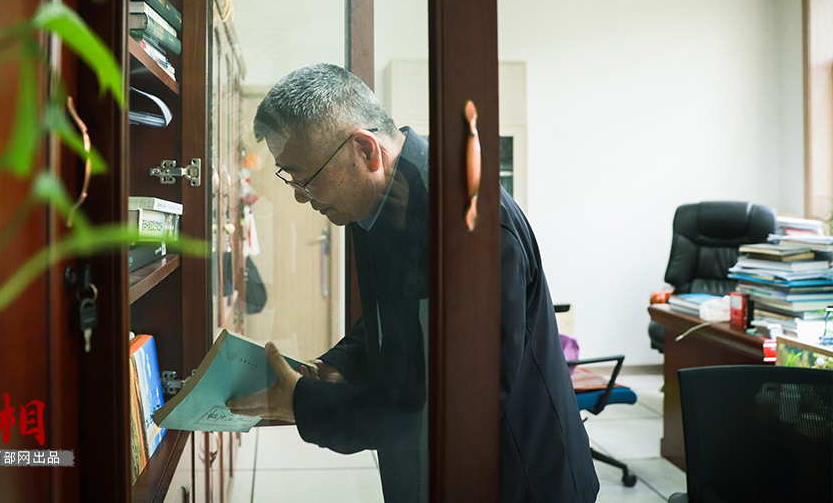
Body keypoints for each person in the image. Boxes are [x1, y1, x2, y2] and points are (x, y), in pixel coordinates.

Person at [227, 63, 598, 503]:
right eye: (289, 178)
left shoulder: (470, 224)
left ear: (366, 151)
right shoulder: (378, 200)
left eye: (305, 178)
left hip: (514, 476)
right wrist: (337, 365)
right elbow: (394, 318)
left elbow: (464, 403)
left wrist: (305, 404)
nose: (299, 195)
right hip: (429, 468)